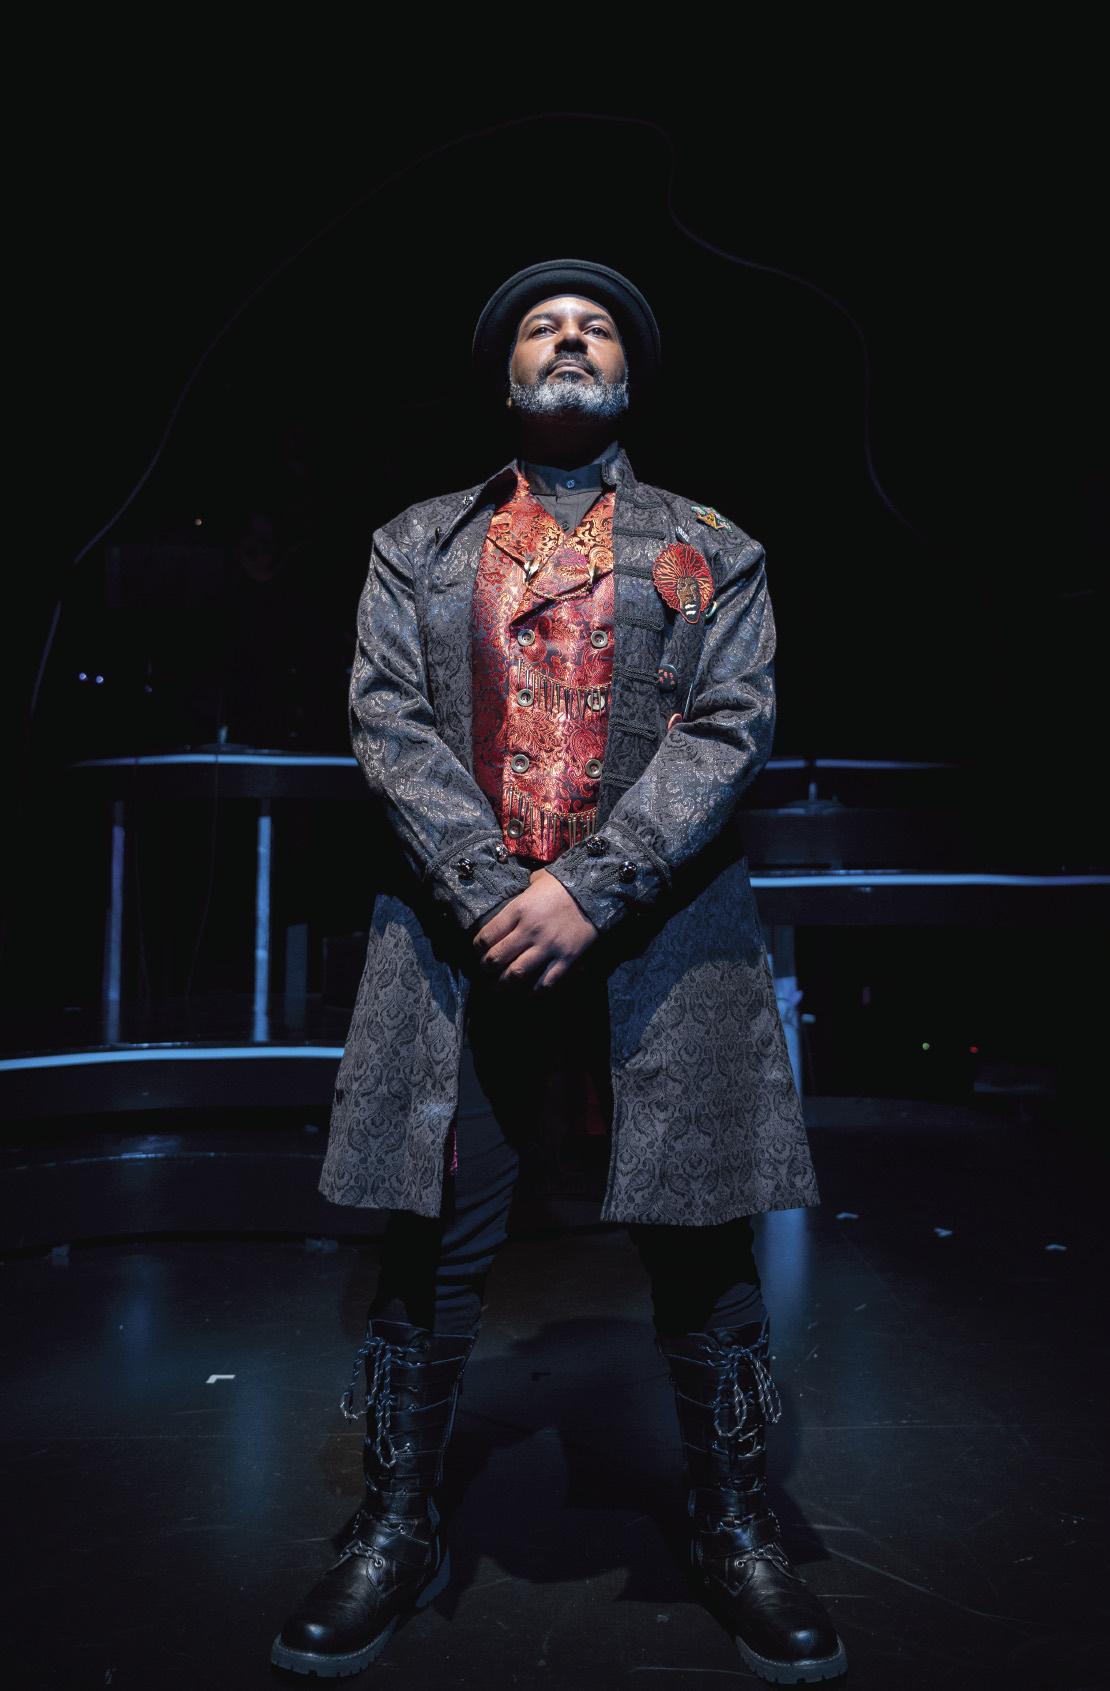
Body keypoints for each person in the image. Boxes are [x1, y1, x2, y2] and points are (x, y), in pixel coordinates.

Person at [270, 258, 848, 1683]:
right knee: (433, 1231)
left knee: (700, 1233)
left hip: (660, 930)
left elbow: (730, 726)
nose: (571, 341)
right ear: (508, 370)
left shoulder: (712, 544)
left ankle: (732, 1522)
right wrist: (494, 891)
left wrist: (590, 890)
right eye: (545, 325)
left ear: (628, 376)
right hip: (462, 935)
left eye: (596, 328)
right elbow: (386, 719)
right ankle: (395, 1523)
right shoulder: (417, 543)